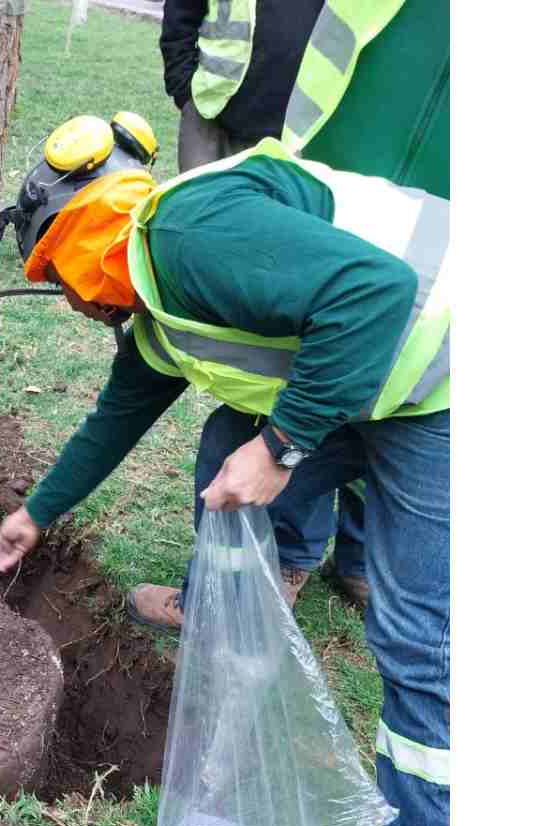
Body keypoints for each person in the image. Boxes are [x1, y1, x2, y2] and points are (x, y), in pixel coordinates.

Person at [0, 128, 450, 826]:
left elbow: (377, 291)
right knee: (217, 444)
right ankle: (229, 602)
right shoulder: (160, 303)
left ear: (79, 242)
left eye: (58, 274)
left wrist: (281, 446)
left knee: (420, 643)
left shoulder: (189, 239)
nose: (74, 302)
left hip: (441, 372)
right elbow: (115, 417)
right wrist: (33, 516)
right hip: (367, 370)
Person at [157, 0, 369, 616]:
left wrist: (282, 445)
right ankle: (285, 565)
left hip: (326, 146)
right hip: (235, 117)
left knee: (319, 404)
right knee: (262, 409)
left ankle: (308, 559)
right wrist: (185, 86)